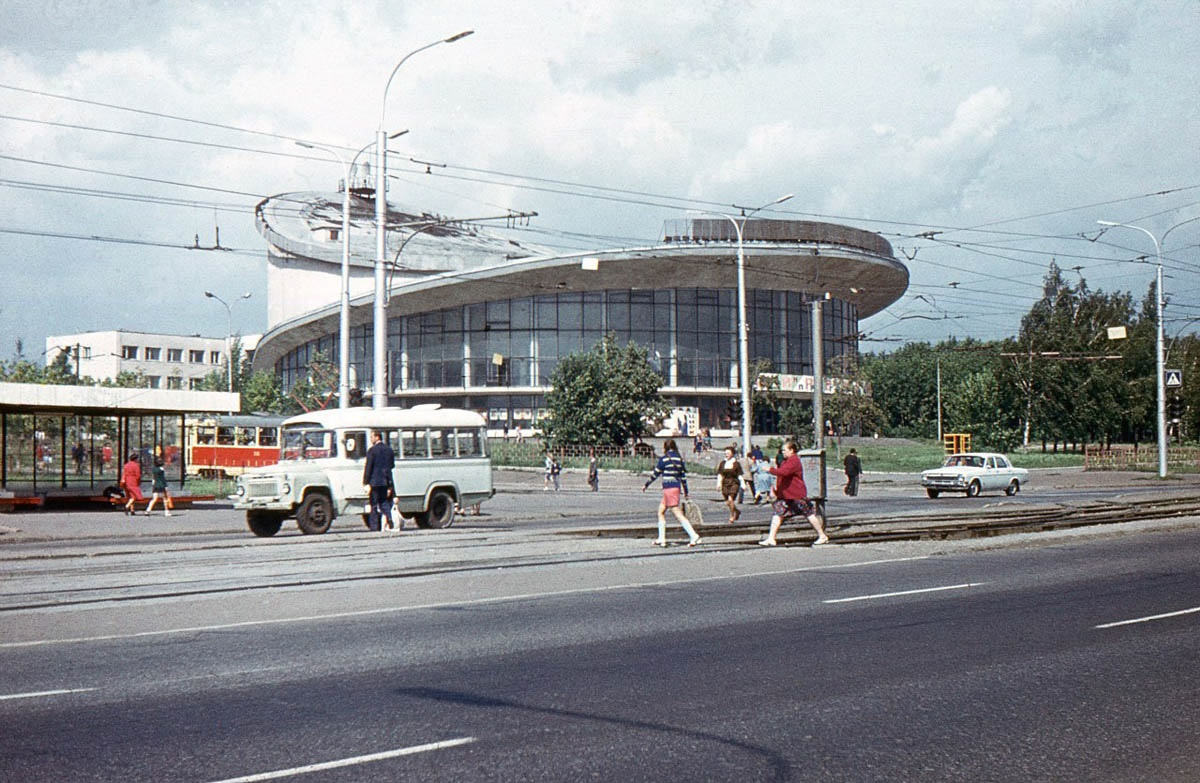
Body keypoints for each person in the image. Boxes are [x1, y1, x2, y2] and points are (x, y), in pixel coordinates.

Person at [759, 439, 829, 547]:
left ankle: (822, 535)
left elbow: (784, 472)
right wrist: (777, 490)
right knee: (778, 514)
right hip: (786, 496)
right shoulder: (785, 461)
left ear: (792, 450)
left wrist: (770, 469)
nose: (783, 452)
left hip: (796, 495)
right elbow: (781, 477)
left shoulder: (794, 461)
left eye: (785, 450)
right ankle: (771, 538)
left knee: (809, 514)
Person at [642, 439, 701, 547]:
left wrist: (646, 484)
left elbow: (655, 474)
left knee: (677, 513)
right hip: (675, 488)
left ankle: (694, 535)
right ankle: (661, 538)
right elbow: (683, 477)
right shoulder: (679, 459)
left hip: (668, 488)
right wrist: (686, 491)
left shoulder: (664, 459)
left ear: (665, 447)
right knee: (661, 511)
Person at [362, 430, 395, 532]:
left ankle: (374, 527)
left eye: (372, 437)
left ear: (377, 437)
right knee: (384, 501)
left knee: (374, 504)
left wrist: (365, 481)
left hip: (374, 481)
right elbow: (392, 465)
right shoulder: (389, 450)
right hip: (385, 480)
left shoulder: (372, 451)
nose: (371, 439)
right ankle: (389, 517)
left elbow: (368, 467)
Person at [716, 445, 744, 523]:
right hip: (725, 483)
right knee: (728, 502)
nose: (726, 454)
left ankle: (732, 516)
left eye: (728, 453)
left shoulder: (736, 463)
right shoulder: (723, 463)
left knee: (730, 500)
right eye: (725, 453)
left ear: (732, 453)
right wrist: (718, 484)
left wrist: (743, 484)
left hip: (734, 482)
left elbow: (739, 474)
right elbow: (720, 474)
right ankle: (737, 511)